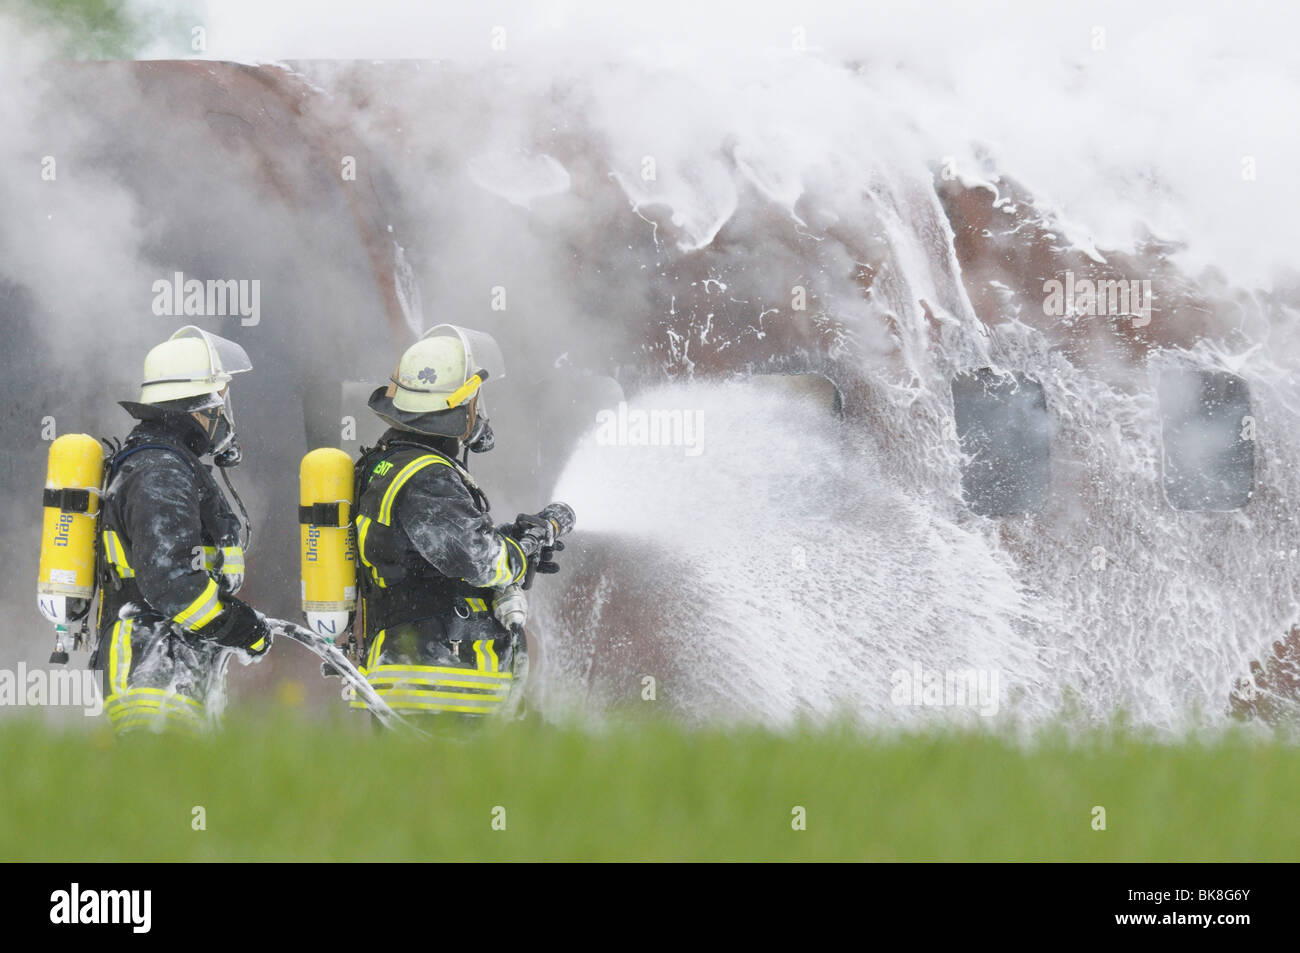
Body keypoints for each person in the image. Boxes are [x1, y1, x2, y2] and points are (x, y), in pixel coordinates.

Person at [351, 324, 573, 721]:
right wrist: (525, 548)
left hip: (420, 677)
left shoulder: (392, 464)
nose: (479, 412)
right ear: (456, 407)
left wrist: (515, 538)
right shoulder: (426, 476)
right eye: (474, 401)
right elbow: (481, 561)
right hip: (443, 686)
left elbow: (432, 554)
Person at [95, 326, 271, 735]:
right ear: (198, 405)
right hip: (152, 671)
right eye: (220, 400)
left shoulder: (168, 463)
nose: (225, 414)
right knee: (159, 796)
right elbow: (172, 582)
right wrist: (239, 626)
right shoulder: (160, 470)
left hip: (170, 663)